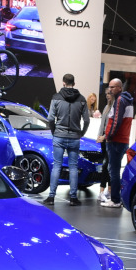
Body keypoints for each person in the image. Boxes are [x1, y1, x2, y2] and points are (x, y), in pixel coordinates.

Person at [44, 73, 90, 207]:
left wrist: (54, 132)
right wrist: (81, 133)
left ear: (63, 83)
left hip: (59, 135)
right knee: (73, 167)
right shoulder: (81, 99)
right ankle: (73, 198)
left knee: (57, 166)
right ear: (74, 84)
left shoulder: (56, 97)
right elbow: (87, 120)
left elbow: (50, 118)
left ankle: (51, 197)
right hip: (75, 137)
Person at [98, 78, 133, 208]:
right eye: (109, 87)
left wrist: (108, 136)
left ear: (119, 88)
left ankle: (115, 200)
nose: (110, 89)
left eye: (113, 87)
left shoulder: (119, 100)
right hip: (122, 140)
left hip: (116, 141)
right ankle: (117, 198)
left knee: (113, 171)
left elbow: (116, 121)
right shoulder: (127, 100)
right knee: (115, 170)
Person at [96, 87, 113, 203]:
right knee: (106, 165)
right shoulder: (106, 107)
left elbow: (112, 127)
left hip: (110, 140)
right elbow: (102, 124)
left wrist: (105, 137)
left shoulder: (115, 108)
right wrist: (99, 136)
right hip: (103, 140)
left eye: (109, 93)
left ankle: (105, 191)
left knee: (107, 165)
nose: (107, 95)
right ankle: (103, 192)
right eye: (106, 93)